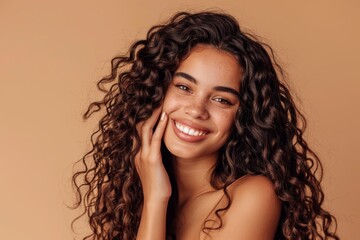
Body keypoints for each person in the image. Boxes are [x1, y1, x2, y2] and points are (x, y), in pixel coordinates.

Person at [72, 11, 339, 240]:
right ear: (156, 92)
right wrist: (153, 195)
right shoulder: (128, 196)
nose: (196, 110)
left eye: (222, 99)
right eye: (184, 87)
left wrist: (155, 200)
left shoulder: (253, 197)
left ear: (243, 116)